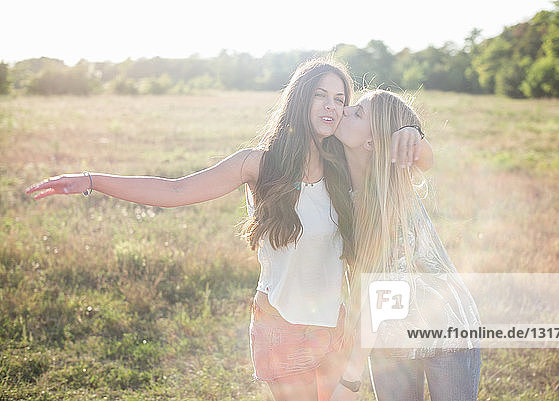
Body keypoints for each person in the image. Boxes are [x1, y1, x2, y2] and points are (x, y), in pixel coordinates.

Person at [25, 60, 433, 401]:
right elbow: (176, 190)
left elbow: (410, 160)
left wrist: (412, 133)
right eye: (320, 96)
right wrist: (93, 180)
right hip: (282, 329)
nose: (332, 106)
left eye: (340, 99)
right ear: (299, 100)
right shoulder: (257, 164)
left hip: (334, 328)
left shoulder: (342, 168)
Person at [329, 90, 481, 401]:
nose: (345, 110)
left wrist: (351, 377)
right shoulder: (338, 184)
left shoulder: (391, 199)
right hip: (390, 339)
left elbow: (383, 297)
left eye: (357, 113)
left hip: (446, 330)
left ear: (371, 143)